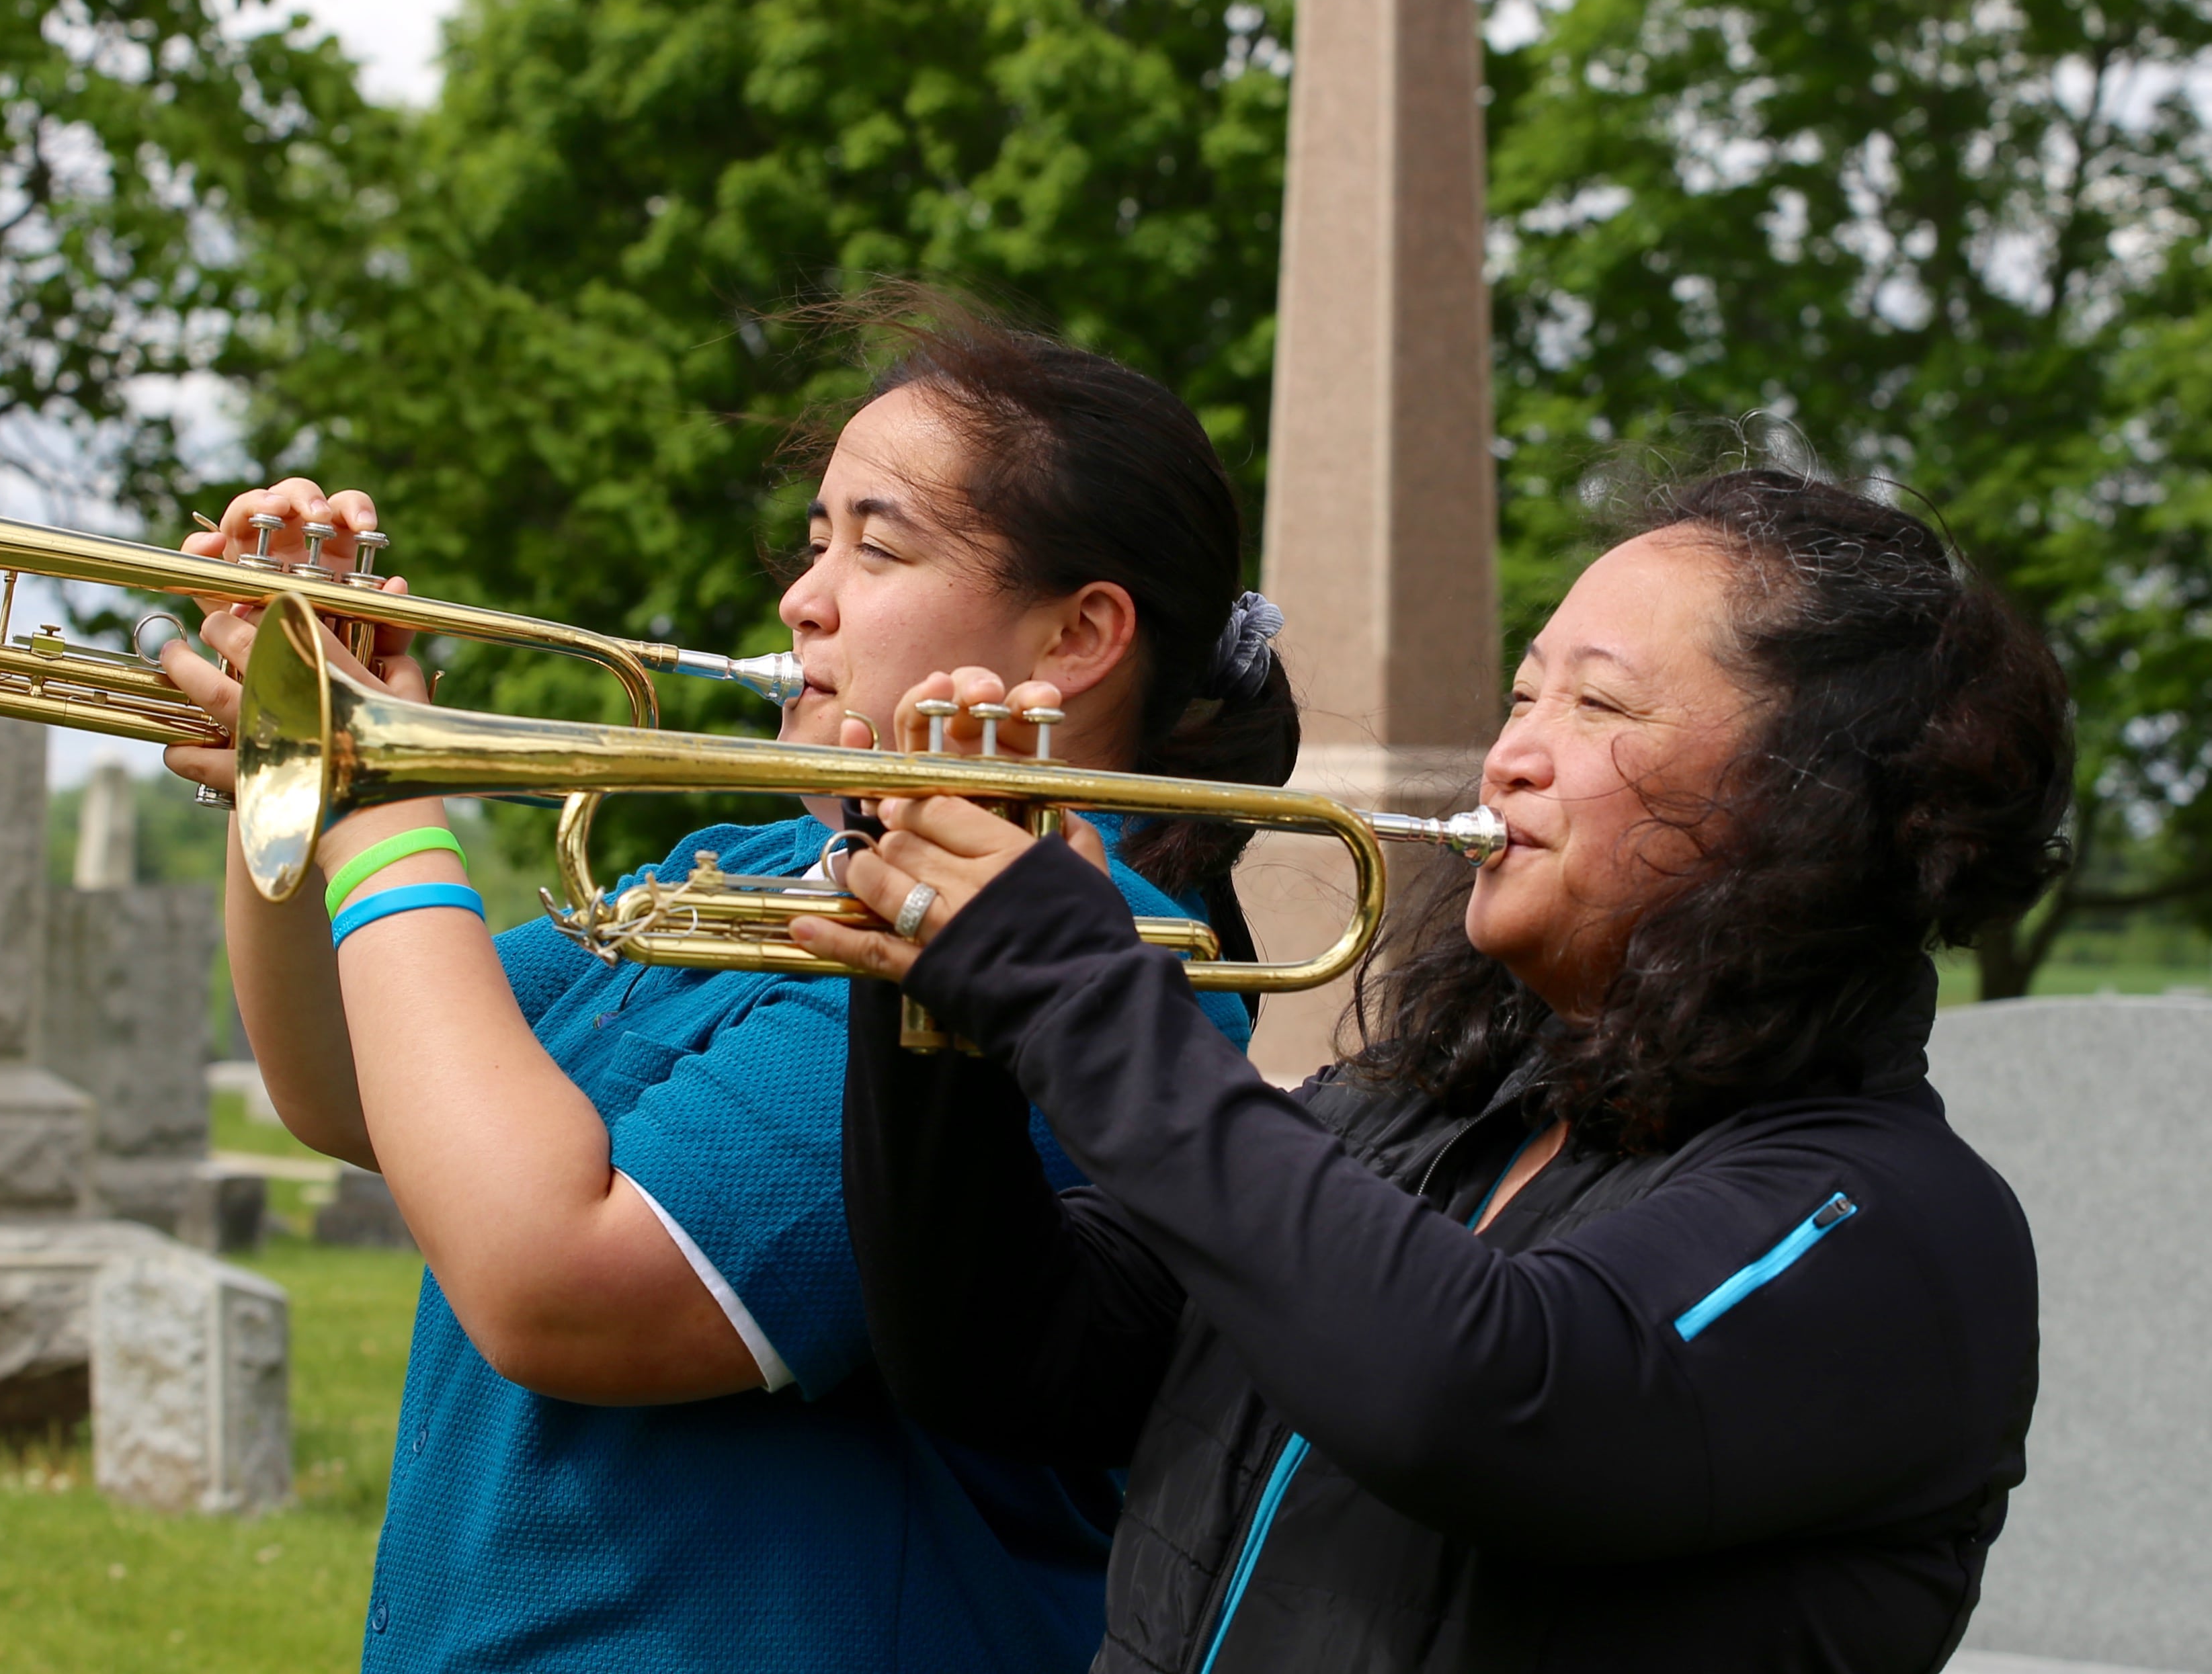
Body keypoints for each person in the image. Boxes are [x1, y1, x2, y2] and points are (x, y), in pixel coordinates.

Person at [155, 300, 1297, 1670]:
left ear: (1074, 637)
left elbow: (555, 1281)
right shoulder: (750, 860)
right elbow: (352, 1080)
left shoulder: (1077, 970)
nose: (800, 597)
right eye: (815, 539)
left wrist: (371, 802)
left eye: (877, 544)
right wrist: (287, 758)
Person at [805, 470, 2070, 1674]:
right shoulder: (1406, 1114)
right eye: (1523, 698)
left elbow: (1490, 1397)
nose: (1511, 755)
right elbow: (1002, 1358)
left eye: (1603, 706)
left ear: (1817, 803)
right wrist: (937, 1006)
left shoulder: (1894, 1222)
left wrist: (1074, 990)